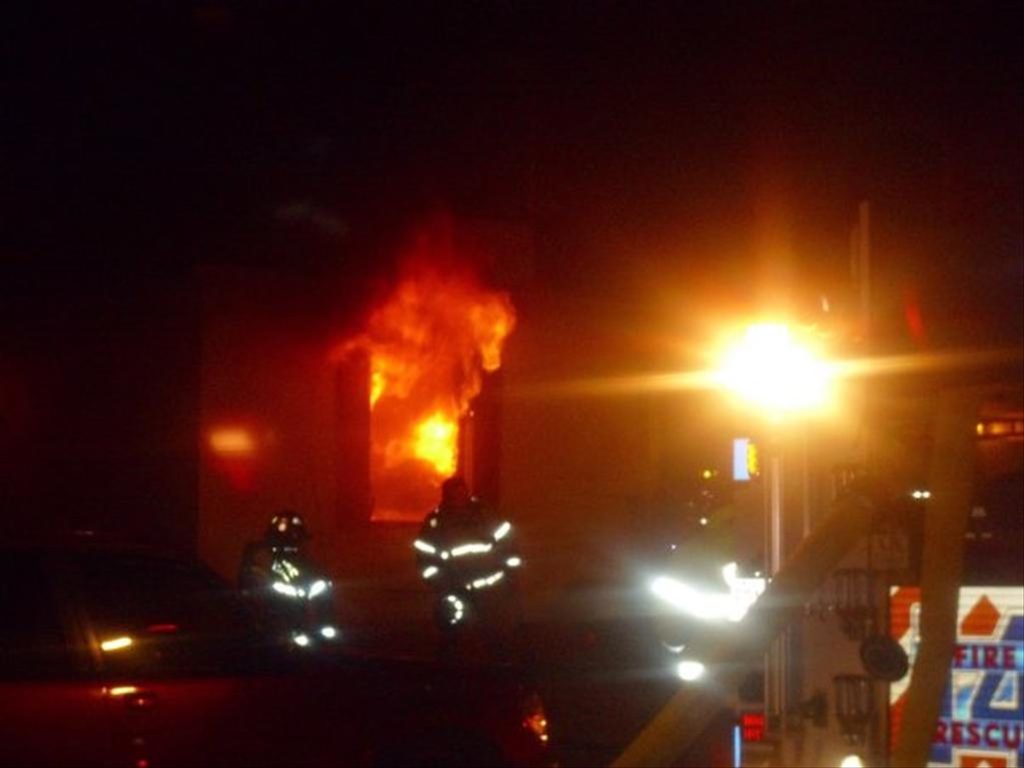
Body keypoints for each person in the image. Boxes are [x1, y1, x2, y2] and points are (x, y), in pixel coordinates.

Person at [414, 477, 522, 660]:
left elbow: (508, 545)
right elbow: (425, 556)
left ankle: (499, 677)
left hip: (490, 590)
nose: (458, 497)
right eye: (453, 493)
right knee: (451, 633)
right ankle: (449, 677)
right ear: (446, 495)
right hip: (454, 589)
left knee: (496, 636)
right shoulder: (435, 522)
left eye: (461, 492)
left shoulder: (487, 516)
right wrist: (440, 584)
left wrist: (510, 576)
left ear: (466, 493)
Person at [239, 510, 338, 647]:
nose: (293, 546)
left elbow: (316, 573)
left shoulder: (304, 558)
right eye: (288, 539)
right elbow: (256, 581)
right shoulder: (263, 557)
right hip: (272, 620)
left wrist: (321, 583)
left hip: (307, 612)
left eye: (297, 539)